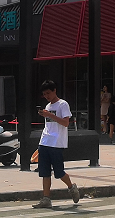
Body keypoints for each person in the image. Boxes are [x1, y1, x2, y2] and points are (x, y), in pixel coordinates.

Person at [32, 80, 80, 209]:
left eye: (48, 93)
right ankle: (46, 198)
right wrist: (46, 114)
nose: (46, 96)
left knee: (59, 172)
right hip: (45, 141)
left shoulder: (63, 104)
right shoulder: (47, 106)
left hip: (57, 143)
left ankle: (71, 187)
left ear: (54, 91)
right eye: (44, 94)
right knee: (44, 172)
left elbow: (65, 123)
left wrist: (49, 115)